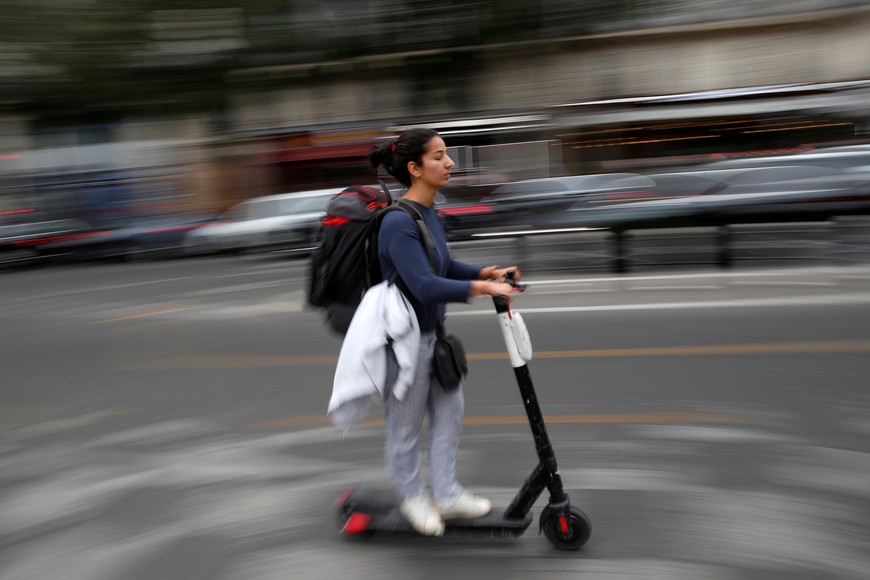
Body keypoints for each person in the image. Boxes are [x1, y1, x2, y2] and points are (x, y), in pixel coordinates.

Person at [369, 128, 520, 536]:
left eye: (447, 155)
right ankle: (412, 495)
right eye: (438, 156)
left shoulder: (429, 213)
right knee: (404, 426)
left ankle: (447, 494)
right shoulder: (397, 223)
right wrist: (484, 288)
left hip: (434, 337)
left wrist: (484, 272)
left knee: (449, 416)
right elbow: (423, 284)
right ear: (415, 168)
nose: (449, 162)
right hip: (404, 343)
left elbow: (444, 266)